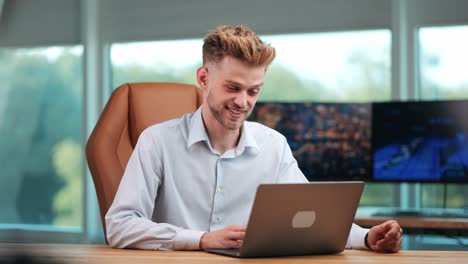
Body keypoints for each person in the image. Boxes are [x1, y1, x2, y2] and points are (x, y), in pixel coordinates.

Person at [105, 24, 403, 253]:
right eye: (233, 87)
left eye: (253, 91)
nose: (243, 101)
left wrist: (366, 237)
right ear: (204, 79)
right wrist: (202, 240)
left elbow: (315, 219)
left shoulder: (273, 146)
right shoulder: (156, 142)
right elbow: (120, 226)